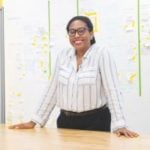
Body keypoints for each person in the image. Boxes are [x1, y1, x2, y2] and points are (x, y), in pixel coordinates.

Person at [9, 16, 139, 138]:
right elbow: (52, 90)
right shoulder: (63, 55)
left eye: (81, 31)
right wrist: (34, 121)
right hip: (66, 122)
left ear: (91, 33)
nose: (76, 35)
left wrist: (120, 125)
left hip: (96, 121)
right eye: (72, 32)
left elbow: (113, 90)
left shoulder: (102, 54)